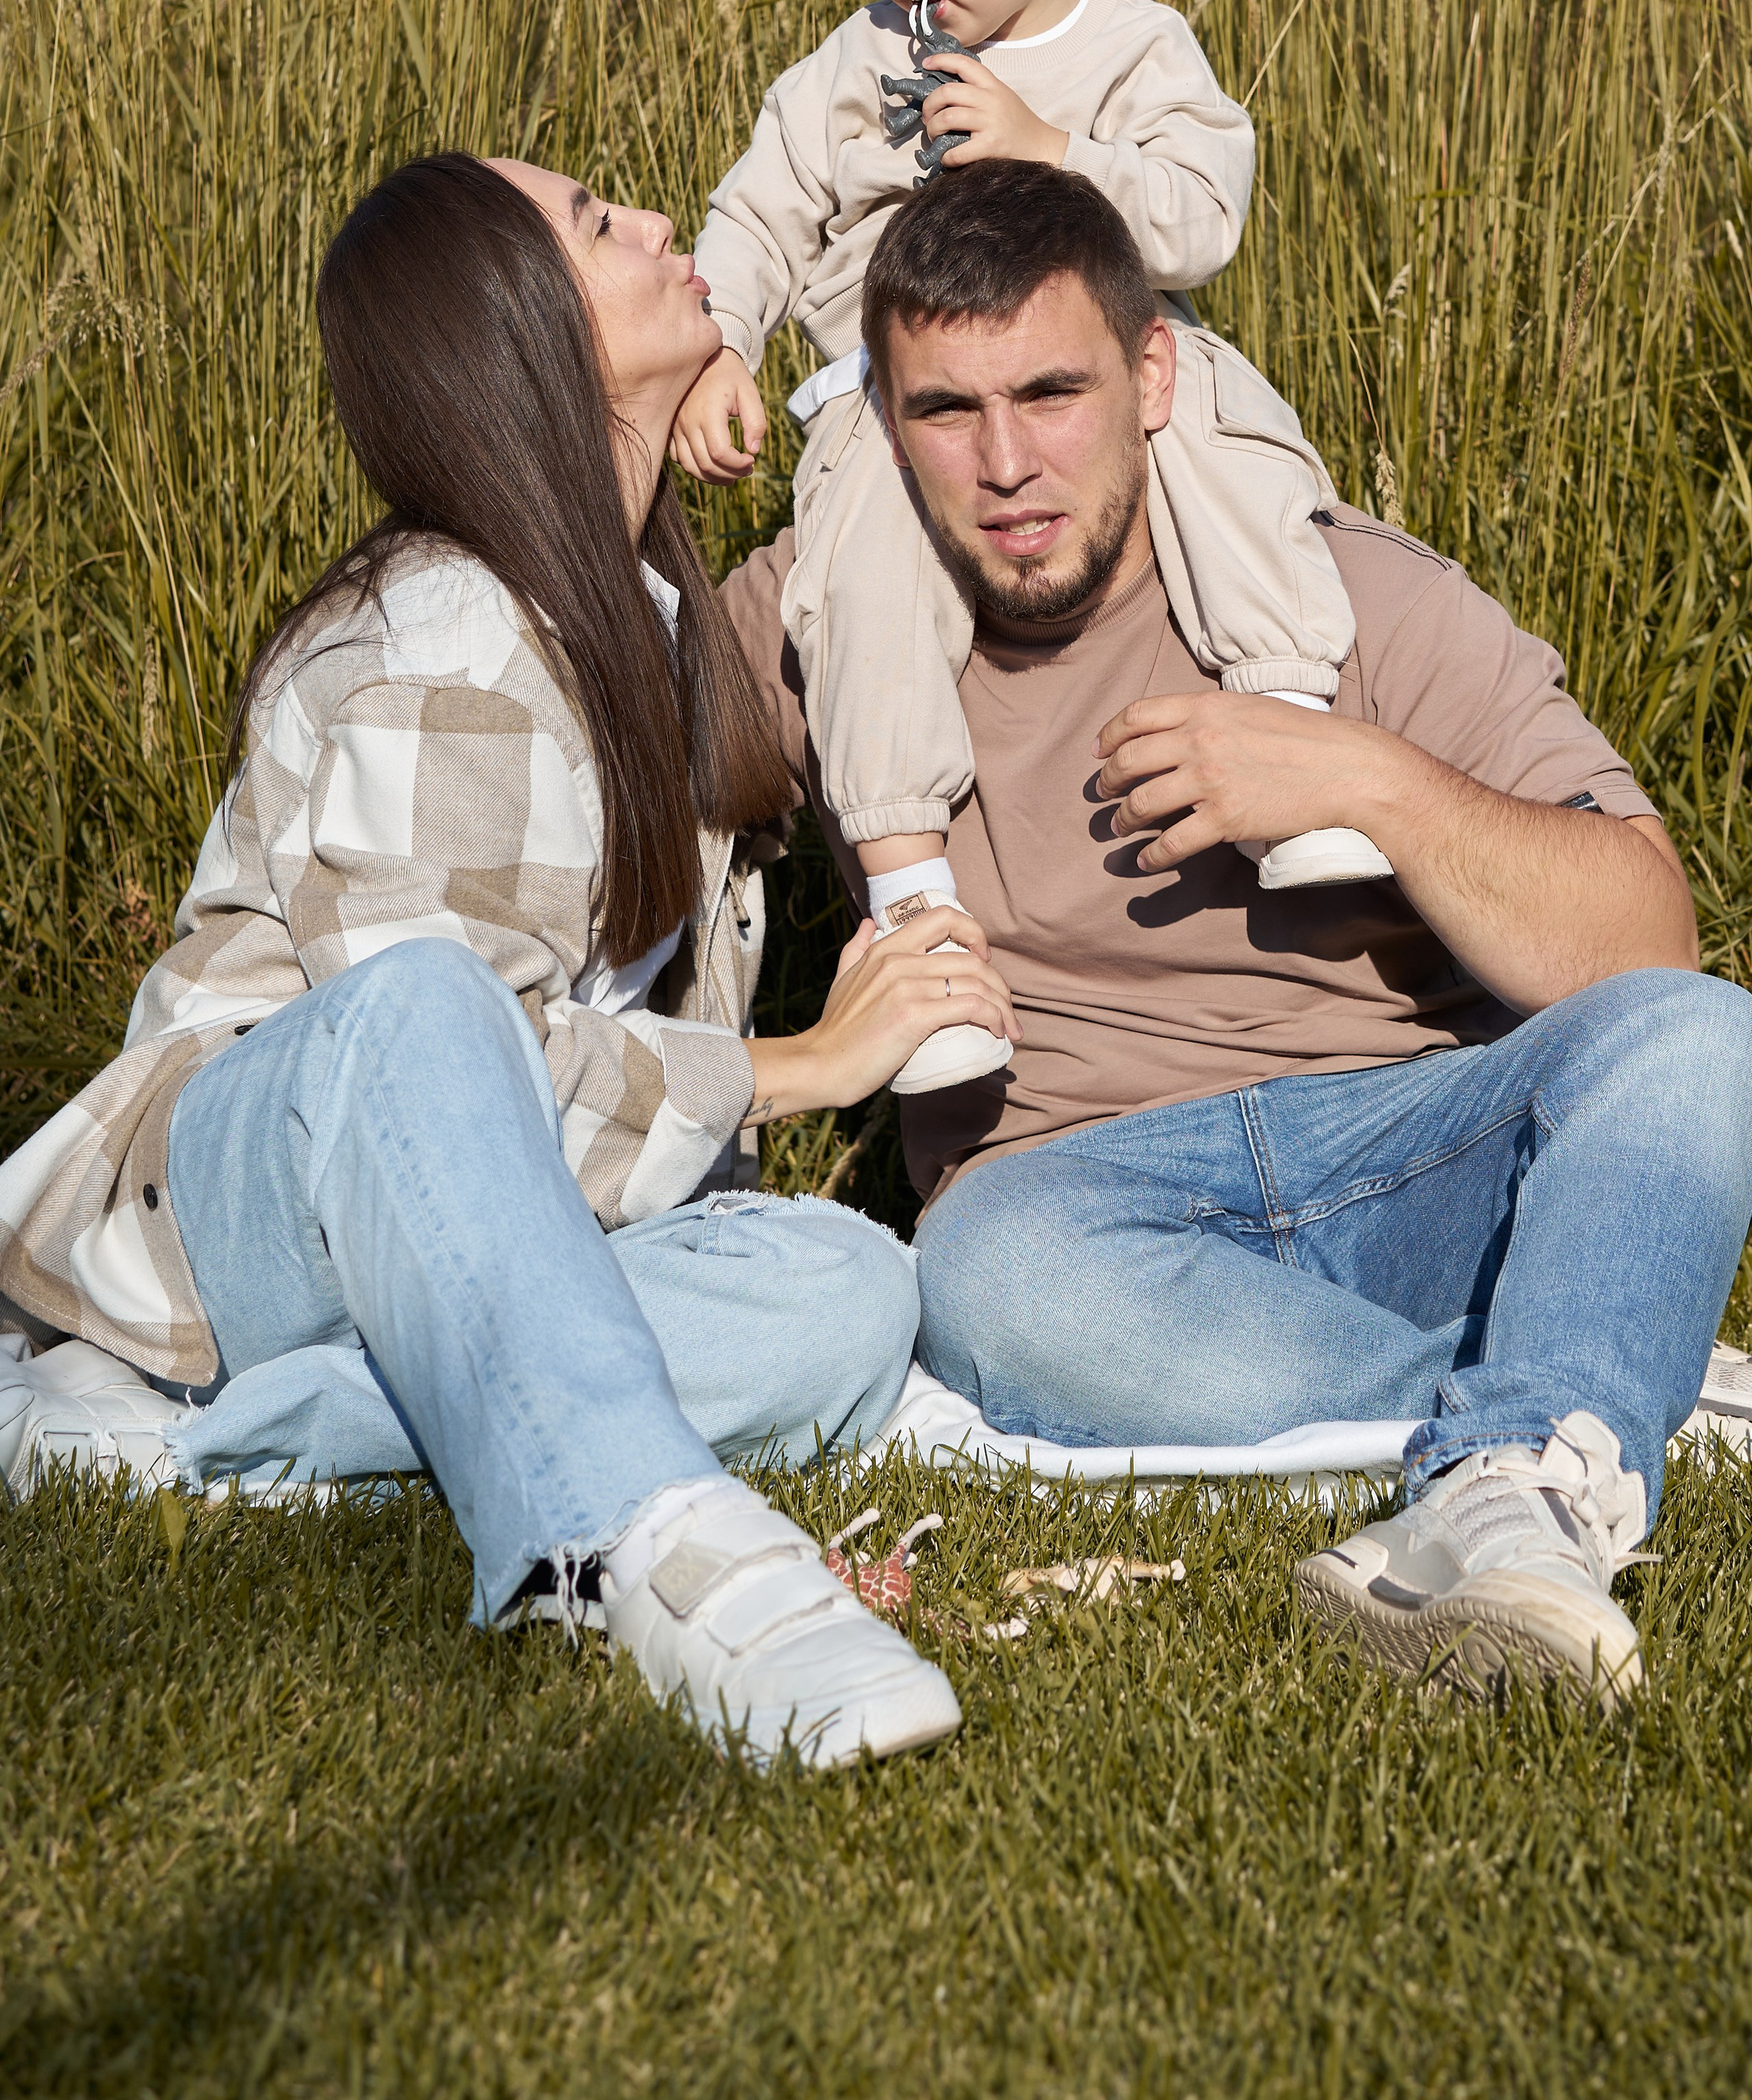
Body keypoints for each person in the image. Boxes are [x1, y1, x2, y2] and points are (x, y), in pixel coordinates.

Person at [722, 160, 1752, 1714]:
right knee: (979, 1272)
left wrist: (1364, 781)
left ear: (1153, 374)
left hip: (1410, 1136)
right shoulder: (826, 619)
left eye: (1050, 392)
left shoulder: (1336, 593)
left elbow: (1645, 942)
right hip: (1078, 1200)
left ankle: (1527, 1440)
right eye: (946, 411)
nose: (1007, 463)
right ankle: (1578, 1426)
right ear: (879, 419)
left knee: (1693, 1042)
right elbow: (608, 746)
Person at [0, 154, 1021, 1769]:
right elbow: (432, 1074)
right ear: (514, 331)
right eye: (598, 225)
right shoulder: (445, 636)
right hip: (241, 1208)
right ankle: (642, 1541)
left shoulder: (638, 618)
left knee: (843, 1286)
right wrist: (799, 1068)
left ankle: (211, 1439)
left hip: (439, 1258)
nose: (660, 225)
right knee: (425, 1003)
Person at [675, 0, 1388, 1099]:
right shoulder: (854, 68)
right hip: (896, 403)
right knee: (859, 567)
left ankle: (1287, 716)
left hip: (1108, 371)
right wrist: (721, 342)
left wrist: (1052, 150)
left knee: (1227, 441)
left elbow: (1200, 218)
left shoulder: (1132, 49)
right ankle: (914, 903)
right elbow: (757, 213)